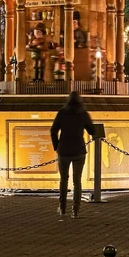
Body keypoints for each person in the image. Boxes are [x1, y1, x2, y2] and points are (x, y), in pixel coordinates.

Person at [50, 91, 95, 219]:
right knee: (77, 181)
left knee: (63, 180)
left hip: (64, 150)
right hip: (79, 151)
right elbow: (91, 130)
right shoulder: (83, 113)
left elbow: (53, 130)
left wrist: (56, 146)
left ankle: (62, 208)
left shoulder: (62, 113)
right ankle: (75, 210)